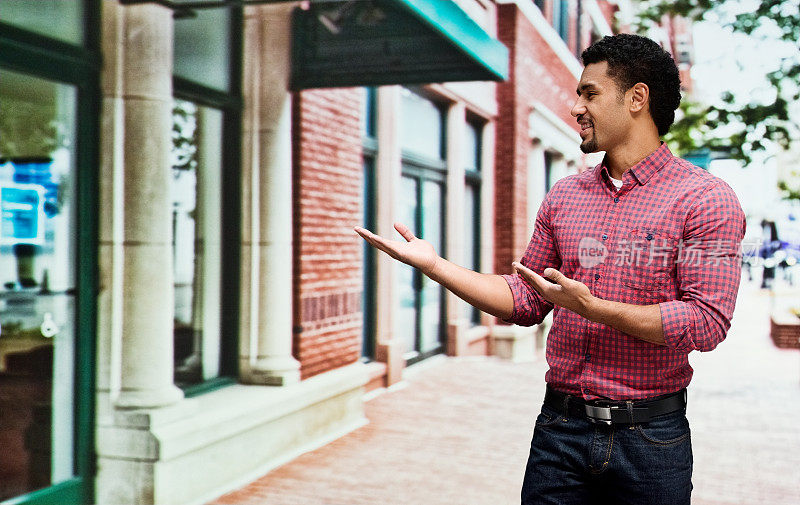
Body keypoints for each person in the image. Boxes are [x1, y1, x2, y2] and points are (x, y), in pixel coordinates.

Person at [355, 33, 745, 505]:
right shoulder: (565, 195)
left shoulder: (705, 198)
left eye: (590, 93)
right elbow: (525, 299)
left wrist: (594, 308)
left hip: (651, 441)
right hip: (559, 432)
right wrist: (435, 266)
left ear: (637, 98)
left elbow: (705, 323)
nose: (577, 107)